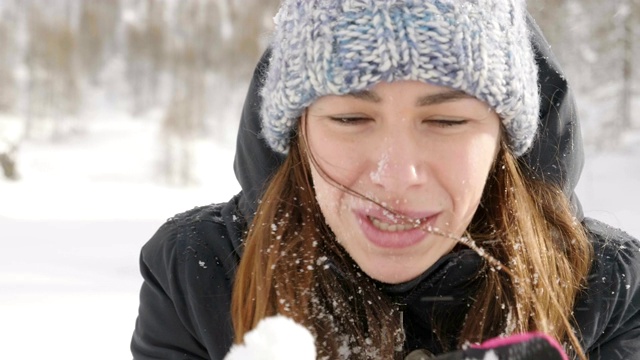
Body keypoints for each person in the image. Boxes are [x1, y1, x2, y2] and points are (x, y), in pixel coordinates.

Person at [131, 1, 640, 359]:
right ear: (298, 130)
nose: (396, 177)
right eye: (351, 119)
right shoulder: (200, 276)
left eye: (446, 122)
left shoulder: (609, 290)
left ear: (503, 141)